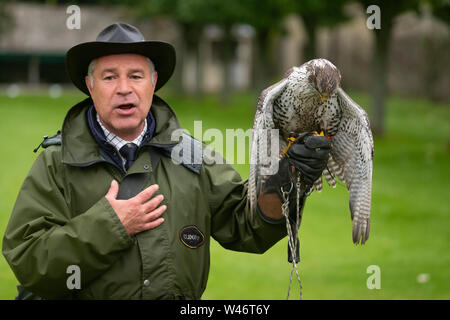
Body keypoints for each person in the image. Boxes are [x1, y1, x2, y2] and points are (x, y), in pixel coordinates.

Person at [2, 22, 331, 300]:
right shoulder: (56, 163)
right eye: (109, 77)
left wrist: (283, 182)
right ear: (90, 86)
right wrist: (110, 225)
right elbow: (29, 261)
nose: (124, 89)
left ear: (153, 82)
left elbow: (246, 227)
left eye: (135, 76)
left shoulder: (192, 155)